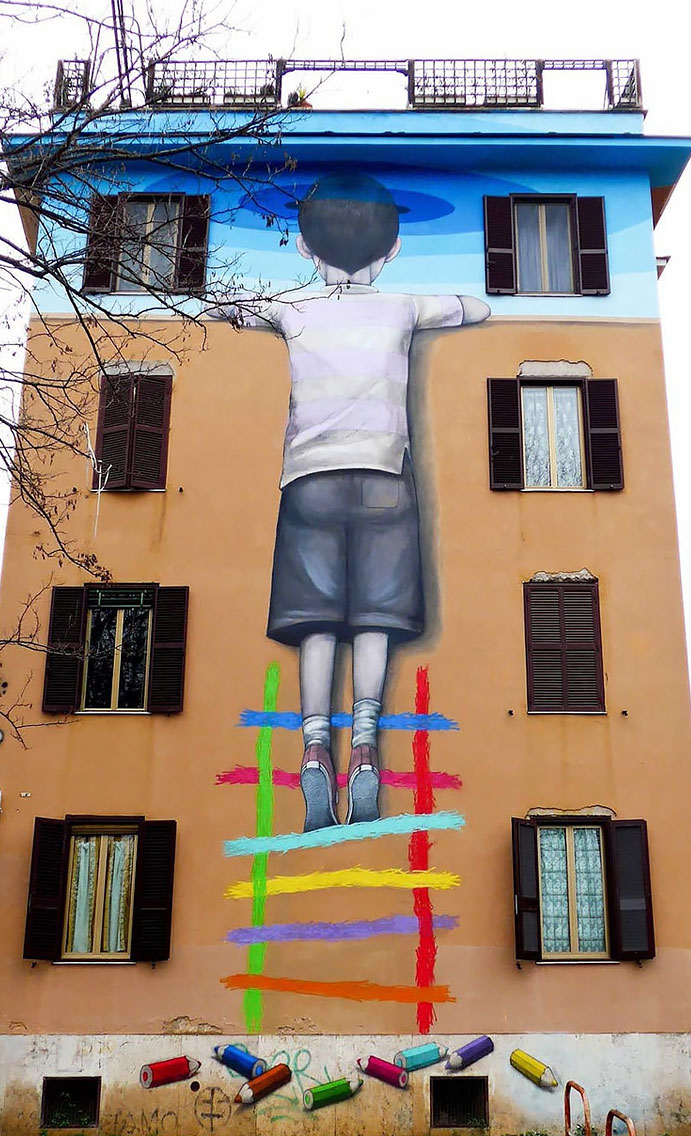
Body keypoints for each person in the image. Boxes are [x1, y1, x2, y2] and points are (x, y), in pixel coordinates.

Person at [209, 172, 490, 831]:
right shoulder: (402, 308)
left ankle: (314, 745)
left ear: (306, 249)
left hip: (309, 480)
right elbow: (476, 308)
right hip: (386, 476)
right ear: (391, 251)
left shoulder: (292, 309)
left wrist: (274, 296)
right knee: (374, 619)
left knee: (316, 622)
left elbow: (223, 305)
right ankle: (364, 743)